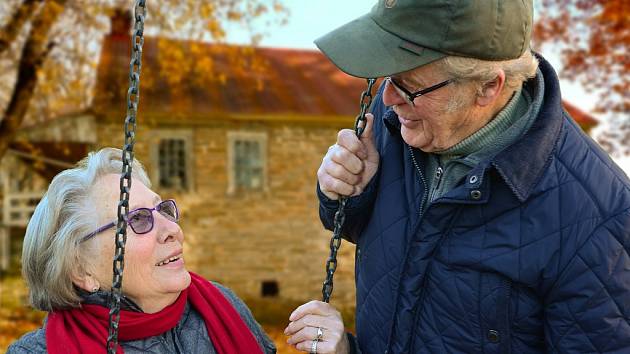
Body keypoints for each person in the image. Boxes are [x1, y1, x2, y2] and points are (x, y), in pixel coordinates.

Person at [286, 0, 630, 353]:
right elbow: (378, 236)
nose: (388, 98)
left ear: (487, 88)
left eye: (409, 85)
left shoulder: (600, 223)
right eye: (388, 76)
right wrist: (346, 192)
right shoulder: (398, 121)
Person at [8, 147, 276, 354]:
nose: (172, 228)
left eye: (162, 209)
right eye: (137, 219)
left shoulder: (223, 305)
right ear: (80, 269)